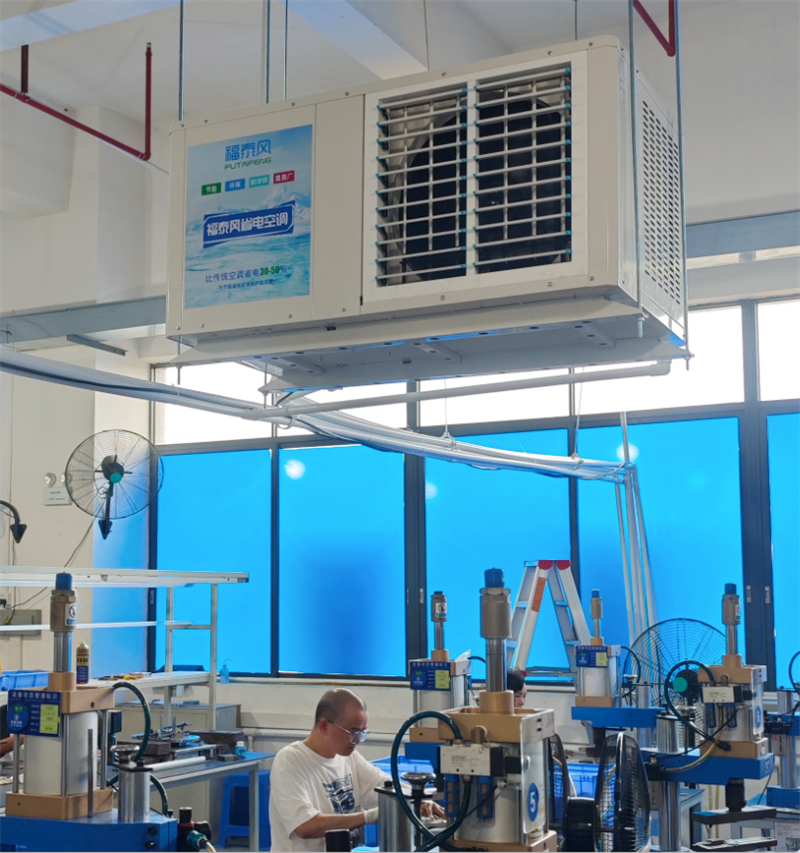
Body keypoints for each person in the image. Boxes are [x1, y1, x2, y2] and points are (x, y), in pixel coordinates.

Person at [271, 688, 435, 852]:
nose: (357, 740)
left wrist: (419, 798)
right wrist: (369, 816)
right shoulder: (291, 761)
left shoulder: (349, 757)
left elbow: (385, 786)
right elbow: (305, 826)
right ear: (324, 726)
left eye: (362, 732)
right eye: (353, 732)